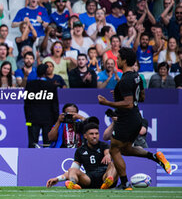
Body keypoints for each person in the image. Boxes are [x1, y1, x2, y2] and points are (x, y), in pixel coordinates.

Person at [98, 47, 172, 190]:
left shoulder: (125, 80)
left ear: (124, 60)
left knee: (114, 149)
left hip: (126, 119)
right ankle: (155, 156)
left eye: (118, 58)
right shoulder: (137, 76)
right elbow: (142, 97)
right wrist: (119, 95)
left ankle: (125, 184)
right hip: (136, 118)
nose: (116, 60)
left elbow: (128, 103)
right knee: (125, 149)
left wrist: (107, 102)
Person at [46, 122, 117, 190]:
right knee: (72, 170)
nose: (94, 136)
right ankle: (73, 184)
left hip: (104, 175)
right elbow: (73, 170)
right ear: (85, 136)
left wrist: (108, 155)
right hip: (89, 179)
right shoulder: (80, 150)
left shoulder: (104, 145)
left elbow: (107, 152)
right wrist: (57, 179)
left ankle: (107, 183)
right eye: (91, 134)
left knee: (115, 164)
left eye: (96, 134)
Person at [24, 63, 59, 148]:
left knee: (33, 143)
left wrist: (28, 119)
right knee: (48, 143)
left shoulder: (29, 85)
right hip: (48, 119)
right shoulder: (51, 86)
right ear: (46, 73)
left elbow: (26, 104)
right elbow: (54, 104)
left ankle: (31, 159)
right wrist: (56, 119)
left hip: (32, 118)